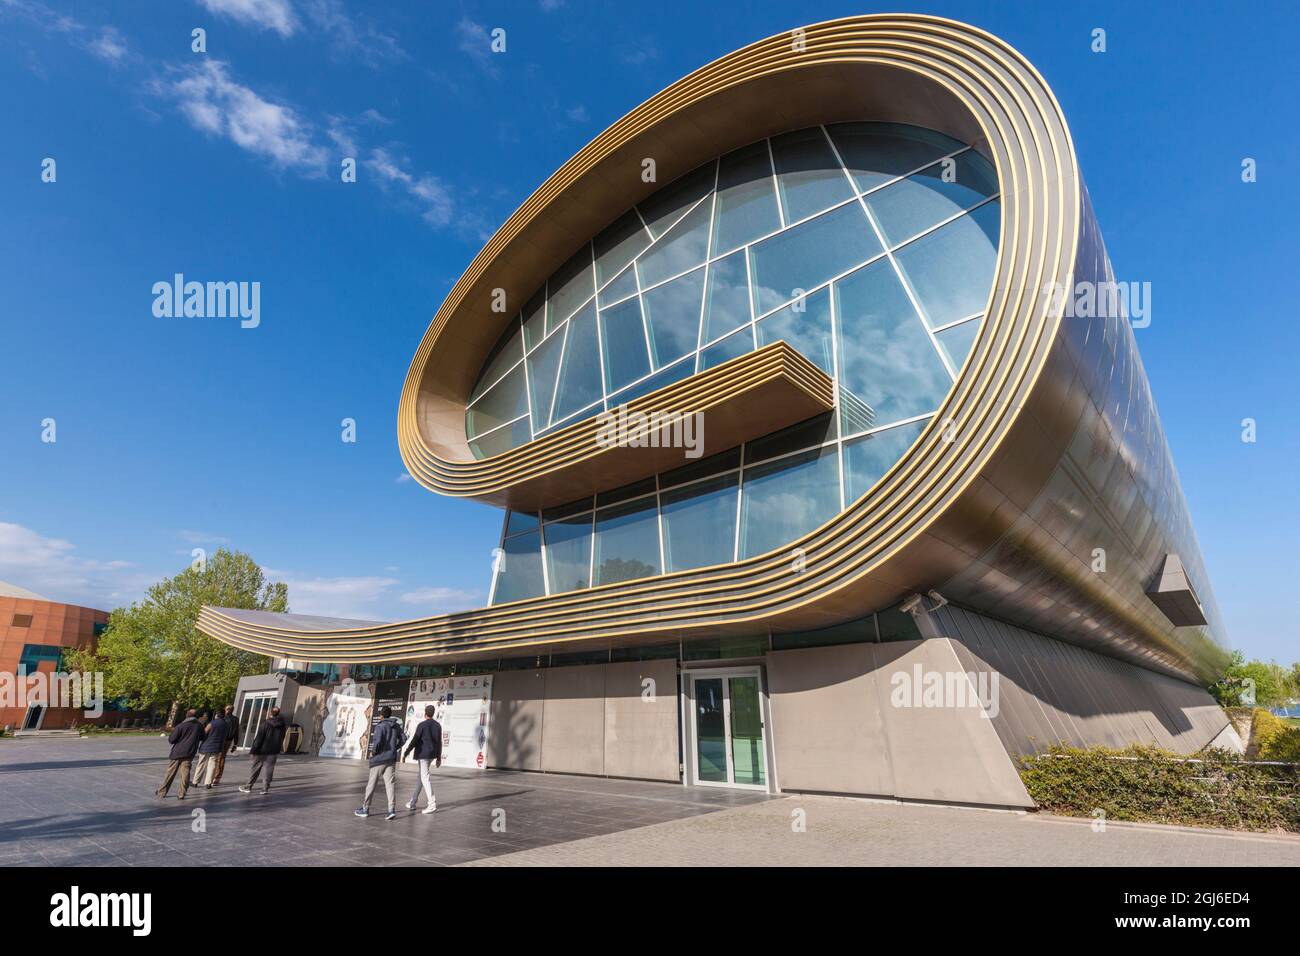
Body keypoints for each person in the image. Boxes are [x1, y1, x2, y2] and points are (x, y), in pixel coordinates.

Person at [354, 706, 405, 820]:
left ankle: (365, 809)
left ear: (381, 715)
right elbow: (403, 738)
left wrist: (373, 752)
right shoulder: (396, 726)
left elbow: (377, 742)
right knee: (390, 784)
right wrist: (395, 748)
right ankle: (391, 810)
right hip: (391, 759)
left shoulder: (380, 726)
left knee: (371, 784)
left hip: (379, 759)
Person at [156, 709, 205, 799]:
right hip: (189, 752)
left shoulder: (181, 725)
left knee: (170, 773)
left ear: (187, 715)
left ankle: (162, 792)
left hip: (177, 752)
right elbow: (202, 737)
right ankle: (182, 793)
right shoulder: (199, 726)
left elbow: (172, 740)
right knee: (185, 774)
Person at [238, 707, 286, 795]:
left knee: (255, 768)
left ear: (270, 713)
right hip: (273, 751)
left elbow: (259, 738)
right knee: (269, 769)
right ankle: (265, 788)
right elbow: (282, 737)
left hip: (261, 750)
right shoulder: (282, 725)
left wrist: (253, 750)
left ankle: (248, 786)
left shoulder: (265, 724)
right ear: (278, 713)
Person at [193, 706, 231, 789]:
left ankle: (195, 782)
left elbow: (204, 733)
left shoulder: (212, 723)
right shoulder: (226, 725)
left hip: (206, 746)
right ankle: (208, 783)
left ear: (216, 715)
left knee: (201, 764)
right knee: (212, 764)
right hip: (217, 747)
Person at [211, 705, 238, 785]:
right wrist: (235, 744)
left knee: (218, 758)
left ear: (227, 710)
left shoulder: (223, 718)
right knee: (222, 758)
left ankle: (215, 777)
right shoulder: (236, 719)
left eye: (225, 709)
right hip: (229, 741)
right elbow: (237, 732)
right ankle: (218, 777)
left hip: (222, 740)